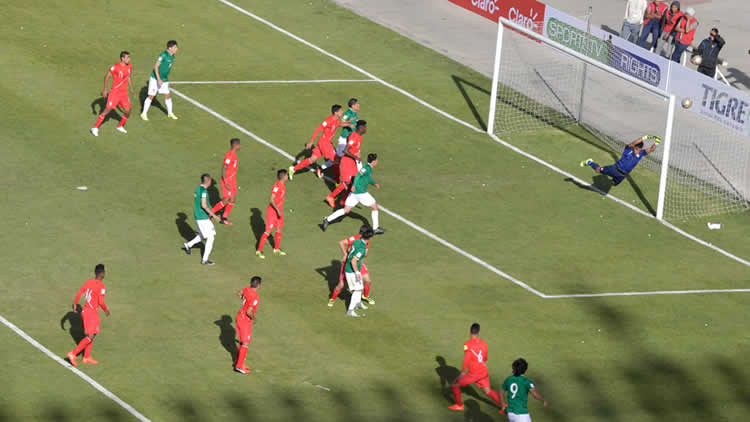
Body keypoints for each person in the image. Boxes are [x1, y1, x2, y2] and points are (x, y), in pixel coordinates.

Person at [321, 153, 385, 234]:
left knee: (346, 210)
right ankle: (375, 228)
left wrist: (374, 183)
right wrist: (354, 185)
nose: (377, 161)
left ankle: (327, 220)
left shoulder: (369, 168)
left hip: (354, 194)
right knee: (374, 207)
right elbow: (358, 175)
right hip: (361, 193)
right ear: (374, 161)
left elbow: (367, 178)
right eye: (376, 160)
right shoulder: (366, 168)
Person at [448, 323, 506, 413]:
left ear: (470, 332)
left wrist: (463, 371)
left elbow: (466, 359)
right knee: (488, 391)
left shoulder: (467, 344)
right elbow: (485, 357)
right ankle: (504, 406)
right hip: (483, 371)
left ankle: (459, 406)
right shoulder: (484, 343)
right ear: (478, 333)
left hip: (473, 374)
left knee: (454, 385)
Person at [66, 264, 110, 367]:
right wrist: (106, 310)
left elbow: (80, 292)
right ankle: (73, 354)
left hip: (86, 311)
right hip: (92, 313)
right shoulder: (101, 287)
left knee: (93, 334)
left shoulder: (88, 282)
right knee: (90, 336)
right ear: (103, 274)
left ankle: (86, 357)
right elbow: (101, 301)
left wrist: (75, 304)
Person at [289, 105, 343, 180]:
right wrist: (311, 142)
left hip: (324, 142)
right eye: (340, 111)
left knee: (312, 159)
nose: (342, 112)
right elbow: (318, 129)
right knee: (337, 160)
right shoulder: (328, 120)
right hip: (324, 143)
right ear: (335, 112)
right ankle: (338, 181)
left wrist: (348, 124)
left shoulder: (336, 120)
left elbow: (337, 124)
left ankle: (293, 169)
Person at [580, 136, 660, 186]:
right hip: (614, 169)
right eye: (635, 148)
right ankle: (589, 162)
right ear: (633, 147)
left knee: (613, 184)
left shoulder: (641, 154)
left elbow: (651, 149)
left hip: (622, 175)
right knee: (598, 170)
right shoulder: (628, 149)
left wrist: (657, 142)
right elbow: (634, 143)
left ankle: (612, 179)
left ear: (640, 149)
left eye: (638, 150)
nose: (636, 151)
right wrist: (645, 137)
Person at [329, 225, 375, 308]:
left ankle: (365, 296)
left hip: (358, 262)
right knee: (342, 284)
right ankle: (332, 298)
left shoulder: (366, 240)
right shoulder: (356, 238)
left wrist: (361, 254)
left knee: (368, 280)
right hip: (349, 262)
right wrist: (346, 254)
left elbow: (365, 253)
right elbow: (341, 242)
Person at [91, 51, 135, 136]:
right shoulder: (115, 67)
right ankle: (95, 128)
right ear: (122, 58)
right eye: (128, 57)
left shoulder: (129, 66)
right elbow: (107, 77)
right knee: (107, 110)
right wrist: (105, 90)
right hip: (115, 92)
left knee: (128, 111)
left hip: (124, 93)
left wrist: (131, 88)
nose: (129, 59)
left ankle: (120, 126)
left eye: (129, 57)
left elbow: (128, 77)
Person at [183, 173, 221, 265]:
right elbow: (203, 205)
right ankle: (205, 259)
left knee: (203, 235)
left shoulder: (197, 189)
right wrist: (215, 216)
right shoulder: (204, 191)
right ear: (208, 181)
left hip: (198, 216)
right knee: (211, 236)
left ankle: (188, 245)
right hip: (202, 217)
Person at [141, 40, 179, 121]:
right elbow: (156, 67)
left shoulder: (172, 56)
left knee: (167, 95)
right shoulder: (163, 55)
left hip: (164, 80)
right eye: (175, 47)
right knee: (151, 96)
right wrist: (158, 79)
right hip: (155, 79)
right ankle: (143, 114)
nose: (177, 49)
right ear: (170, 48)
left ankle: (170, 113)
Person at [256, 169, 289, 259]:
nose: (287, 176)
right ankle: (258, 251)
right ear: (283, 176)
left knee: (279, 229)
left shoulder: (282, 185)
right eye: (286, 175)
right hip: (272, 212)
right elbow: (271, 200)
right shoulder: (277, 186)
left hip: (279, 211)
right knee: (268, 231)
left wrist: (279, 210)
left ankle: (276, 249)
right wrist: (277, 210)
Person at [342, 227, 374, 317]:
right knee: (358, 289)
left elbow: (349, 251)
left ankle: (357, 304)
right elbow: (353, 261)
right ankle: (350, 311)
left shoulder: (357, 241)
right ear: (370, 238)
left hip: (353, 269)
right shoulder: (362, 249)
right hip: (351, 271)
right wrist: (356, 273)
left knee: (360, 288)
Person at [234, 276, 262, 374]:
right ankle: (239, 366)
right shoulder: (255, 297)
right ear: (259, 286)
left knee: (243, 341)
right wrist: (254, 318)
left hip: (239, 316)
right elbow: (249, 311)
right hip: (245, 320)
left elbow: (239, 293)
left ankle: (239, 362)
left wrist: (244, 301)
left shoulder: (246, 288)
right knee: (246, 343)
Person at [211, 138, 241, 225]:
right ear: (235, 145)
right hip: (227, 181)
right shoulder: (230, 155)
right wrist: (225, 182)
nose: (240, 146)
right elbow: (224, 168)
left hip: (232, 180)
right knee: (226, 200)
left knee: (233, 199)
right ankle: (210, 214)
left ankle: (224, 217)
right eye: (239, 144)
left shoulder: (233, 155)